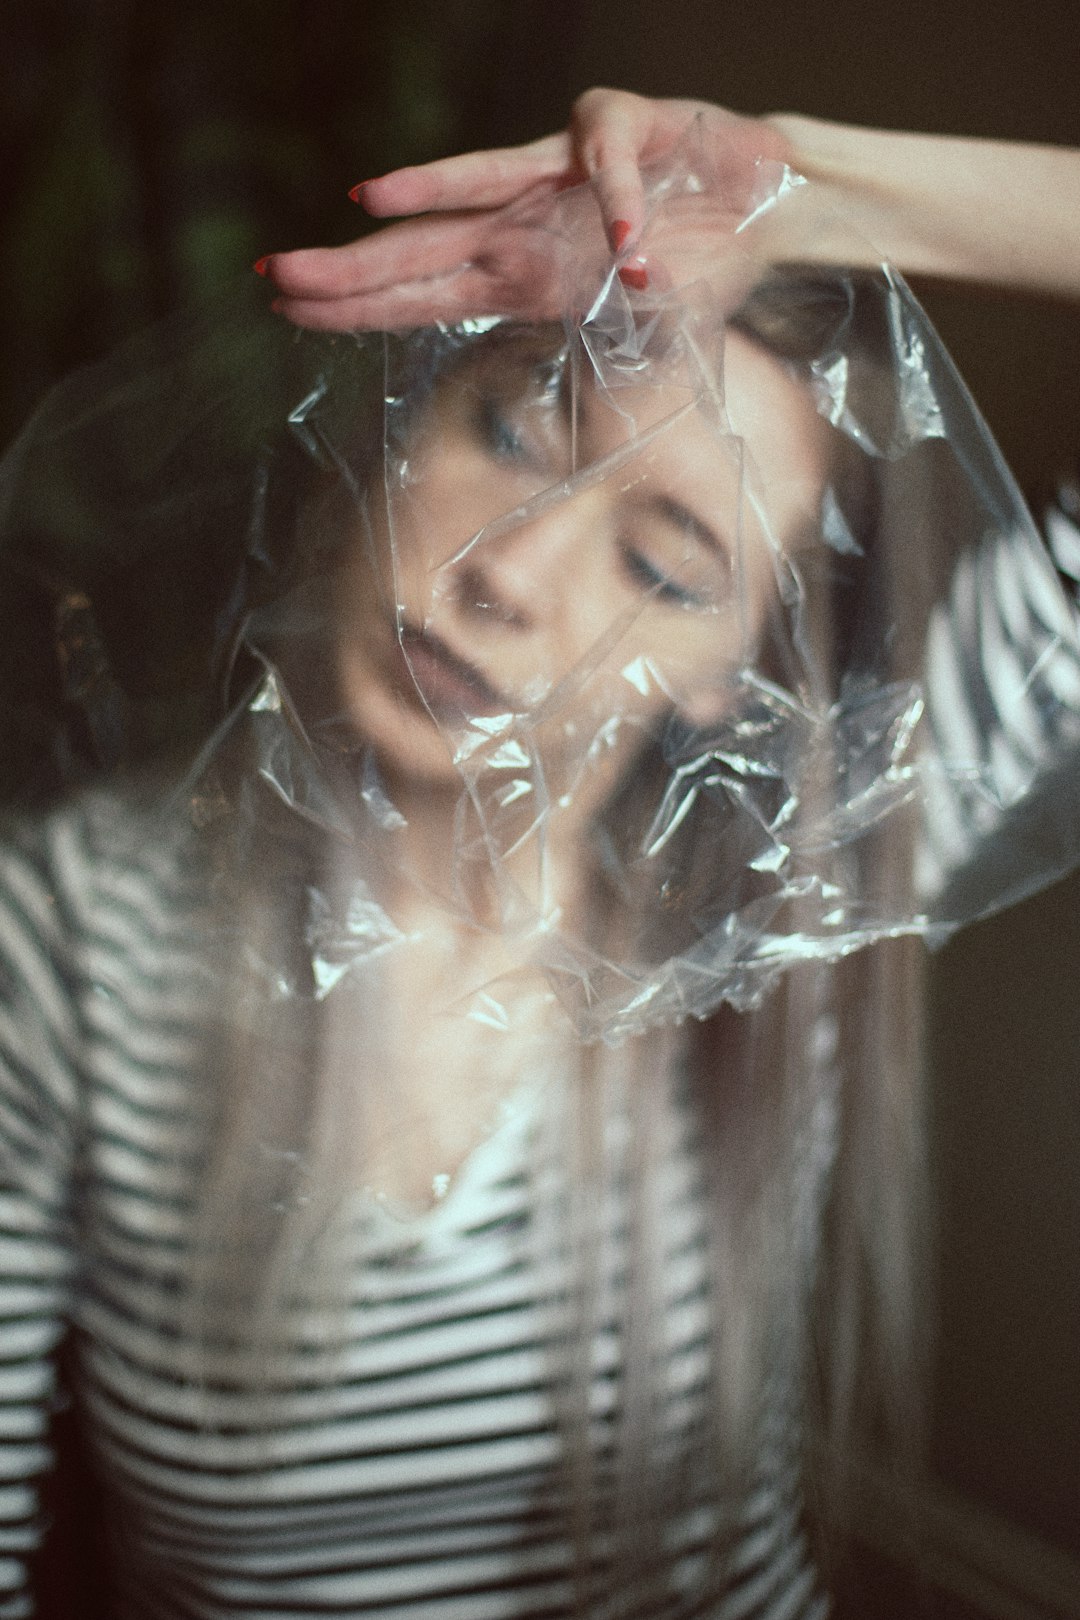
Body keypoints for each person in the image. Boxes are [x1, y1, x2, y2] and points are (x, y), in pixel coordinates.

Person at [0, 88, 1077, 1620]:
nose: (503, 570)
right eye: (508, 428)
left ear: (742, 666)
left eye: (660, 562)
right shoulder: (70, 927)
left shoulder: (794, 898)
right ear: (402, 413)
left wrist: (820, 193)